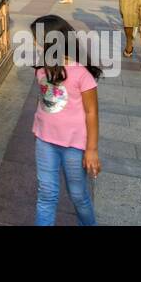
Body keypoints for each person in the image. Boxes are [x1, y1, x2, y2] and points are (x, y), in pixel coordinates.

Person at [30, 15, 100, 226]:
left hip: (74, 146)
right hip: (44, 141)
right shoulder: (42, 69)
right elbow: (44, 99)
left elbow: (91, 113)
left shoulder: (81, 74)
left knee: (78, 196)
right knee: (47, 194)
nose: (34, 42)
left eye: (37, 38)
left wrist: (92, 150)